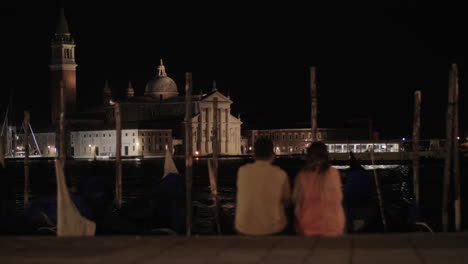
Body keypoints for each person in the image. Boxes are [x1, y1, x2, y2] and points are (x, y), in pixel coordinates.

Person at [235, 138, 291, 235]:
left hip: (244, 227)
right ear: (272, 154)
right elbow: (287, 200)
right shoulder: (280, 174)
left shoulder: (242, 171)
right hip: (273, 228)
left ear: (254, 155)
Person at [293, 141, 345, 236]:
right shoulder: (333, 173)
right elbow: (339, 197)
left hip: (308, 227)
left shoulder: (302, 175)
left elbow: (296, 200)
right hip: (333, 225)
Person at [343, 151, 380, 233]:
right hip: (368, 207)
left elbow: (347, 192)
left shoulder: (351, 176)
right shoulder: (368, 175)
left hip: (354, 207)